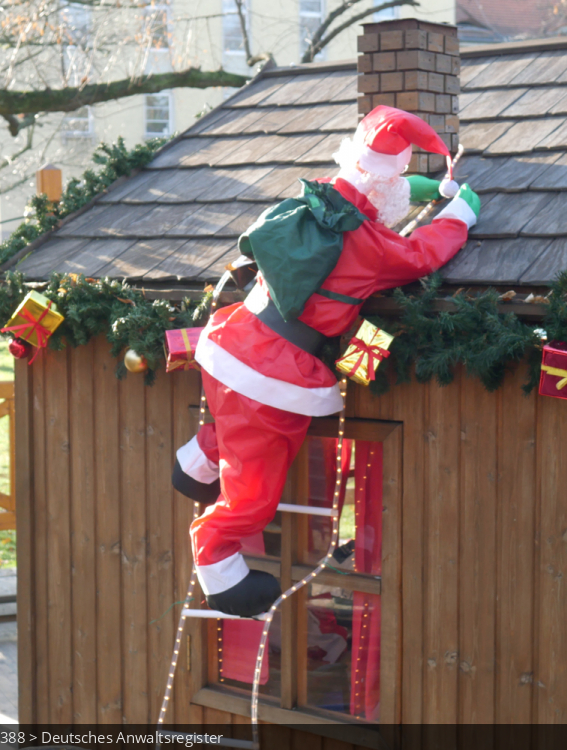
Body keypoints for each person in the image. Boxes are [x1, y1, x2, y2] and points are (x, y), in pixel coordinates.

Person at [173, 106, 480, 617]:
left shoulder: (317, 197)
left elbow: (376, 193)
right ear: (388, 182)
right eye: (400, 178)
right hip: (273, 371)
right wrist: (458, 211)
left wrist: (424, 190)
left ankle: (195, 464)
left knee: (235, 429)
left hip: (236, 339)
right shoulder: (373, 246)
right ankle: (217, 565)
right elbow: (420, 254)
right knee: (254, 490)